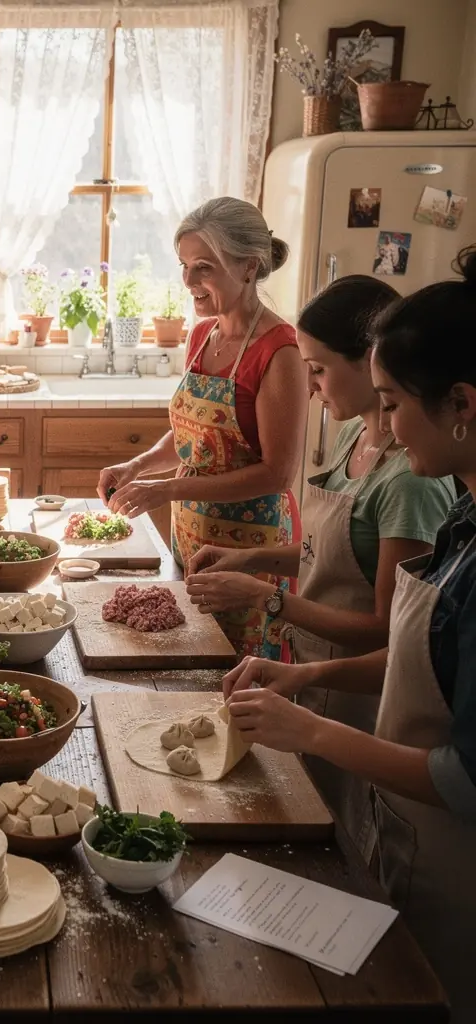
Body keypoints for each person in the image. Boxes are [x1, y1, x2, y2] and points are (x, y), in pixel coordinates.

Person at [223, 247, 476, 1022]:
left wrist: (312, 730)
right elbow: (412, 660)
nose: (388, 424)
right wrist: (302, 680)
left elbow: (466, 780)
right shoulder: (464, 518)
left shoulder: (422, 494)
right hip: (409, 836)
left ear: (461, 403)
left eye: (395, 401)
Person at [183, 275, 455, 854]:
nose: (308, 387)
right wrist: (256, 557)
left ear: (370, 362)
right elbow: (335, 557)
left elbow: (391, 627)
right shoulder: (355, 437)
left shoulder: (412, 482)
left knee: (343, 841)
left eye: (319, 369)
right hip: (315, 675)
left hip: (363, 704)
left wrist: (266, 597)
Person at [98, 197, 308, 660]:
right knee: (191, 662)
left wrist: (167, 491)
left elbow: (277, 474)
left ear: (249, 267)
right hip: (193, 533)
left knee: (239, 676)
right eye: (185, 266)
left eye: (204, 268)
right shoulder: (202, 336)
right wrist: (138, 465)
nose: (189, 281)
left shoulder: (279, 352)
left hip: (254, 547)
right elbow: (196, 437)